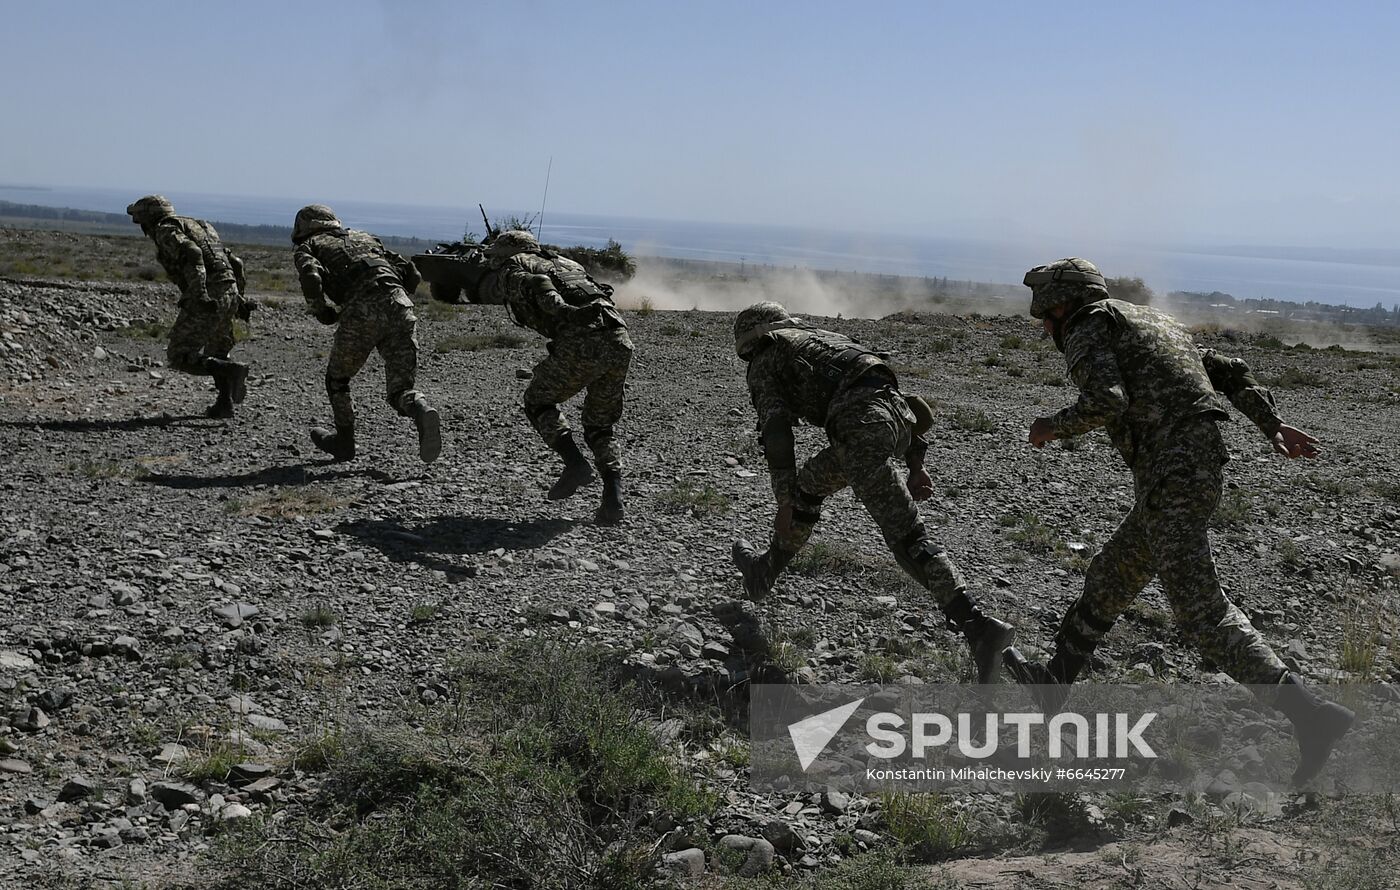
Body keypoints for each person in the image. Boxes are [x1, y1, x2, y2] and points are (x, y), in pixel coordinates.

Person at [1003, 256, 1353, 784]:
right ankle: (1054, 681)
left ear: (1061, 302)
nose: (1045, 324)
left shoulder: (1086, 324)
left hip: (1173, 470)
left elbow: (1107, 401)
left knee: (1201, 612)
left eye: (1046, 313)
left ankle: (1312, 716)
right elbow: (1226, 371)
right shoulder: (1153, 320)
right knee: (1112, 575)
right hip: (1187, 467)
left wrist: (1052, 426)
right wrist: (1271, 422)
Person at [728, 302, 1014, 683]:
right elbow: (900, 401)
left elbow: (777, 431)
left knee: (909, 539)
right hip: (888, 426)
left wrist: (782, 501)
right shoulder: (826, 339)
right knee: (810, 487)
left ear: (751, 340)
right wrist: (915, 463)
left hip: (860, 439)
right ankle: (764, 571)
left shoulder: (766, 359)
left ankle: (979, 628)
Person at [471, 229, 633, 526]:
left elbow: (537, 284)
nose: (492, 261)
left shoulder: (514, 267)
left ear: (507, 252)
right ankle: (613, 500)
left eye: (496, 254)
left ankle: (574, 465)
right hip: (619, 338)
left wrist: (564, 312)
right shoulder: (567, 263)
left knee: (537, 401)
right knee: (600, 425)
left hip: (582, 339)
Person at [291, 204, 440, 463]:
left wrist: (322, 311)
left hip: (361, 312)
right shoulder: (365, 237)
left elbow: (311, 277)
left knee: (337, 380)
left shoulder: (310, 246)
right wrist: (394, 297)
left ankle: (344, 442)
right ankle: (420, 408)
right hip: (401, 306)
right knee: (399, 389)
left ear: (304, 227)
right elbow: (412, 273)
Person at [126, 195, 250, 418]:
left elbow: (192, 253)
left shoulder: (165, 229)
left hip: (209, 292)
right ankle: (224, 404)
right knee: (218, 350)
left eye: (139, 218)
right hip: (228, 289)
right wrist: (238, 296)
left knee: (179, 354)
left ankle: (231, 371)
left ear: (148, 217)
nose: (139, 225)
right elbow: (235, 262)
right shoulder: (200, 226)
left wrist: (199, 292)